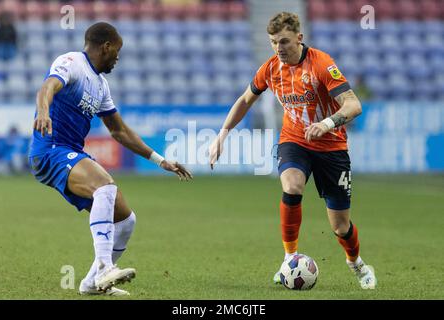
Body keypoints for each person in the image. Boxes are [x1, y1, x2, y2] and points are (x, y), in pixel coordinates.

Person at [209, 12, 376, 289]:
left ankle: (356, 262)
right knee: (292, 185)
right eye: (274, 42)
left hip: (332, 147)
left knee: (340, 226)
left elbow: (353, 105)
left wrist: (327, 123)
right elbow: (245, 99)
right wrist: (222, 134)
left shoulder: (322, 64)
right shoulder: (271, 68)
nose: (279, 48)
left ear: (299, 38)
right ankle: (289, 259)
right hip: (294, 140)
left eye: (284, 41)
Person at [28, 22, 193, 296]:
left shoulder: (101, 86)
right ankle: (105, 267)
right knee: (105, 186)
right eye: (117, 51)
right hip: (50, 149)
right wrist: (43, 112)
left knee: (126, 220)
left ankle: (92, 282)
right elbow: (47, 86)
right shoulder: (72, 62)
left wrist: (160, 161)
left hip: (70, 152)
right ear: (106, 47)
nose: (118, 57)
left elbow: (118, 130)